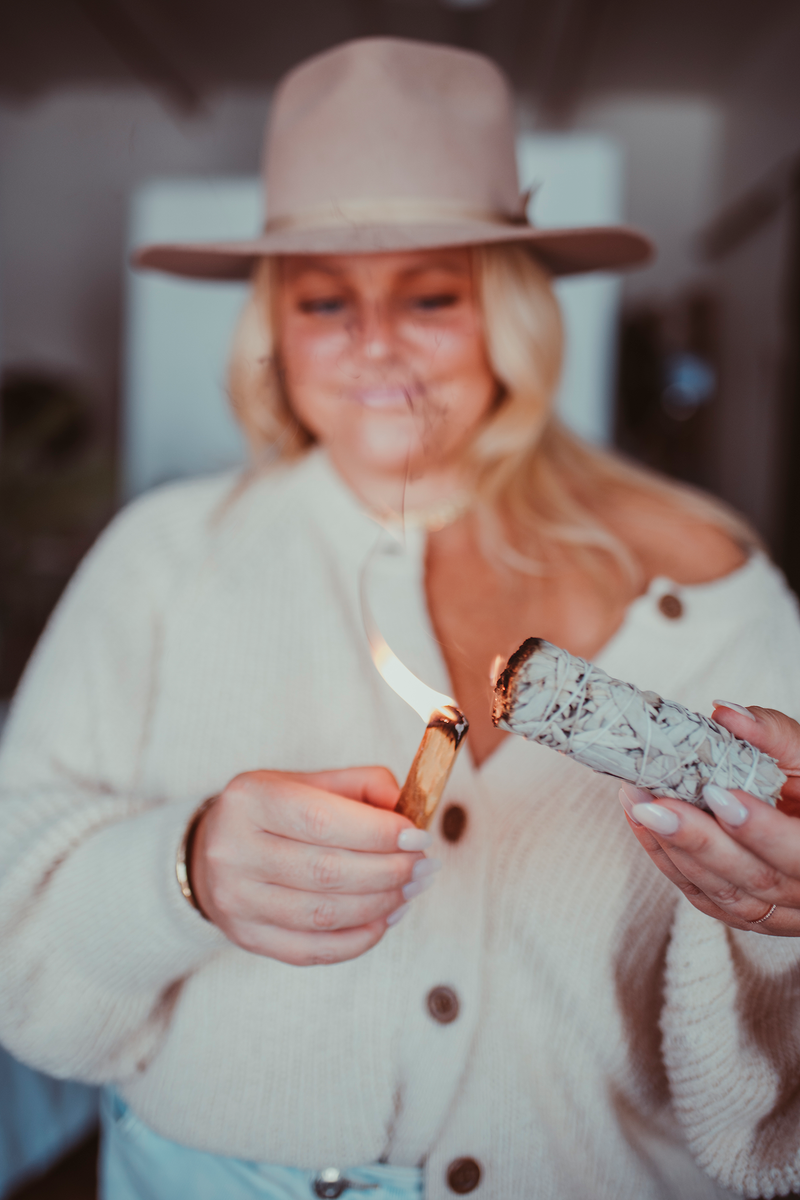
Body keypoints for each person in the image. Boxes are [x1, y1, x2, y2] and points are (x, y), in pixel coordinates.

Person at [2, 35, 800, 1200]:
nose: (375, 343)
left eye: (430, 294)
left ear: (512, 313)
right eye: (325, 301)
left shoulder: (713, 582)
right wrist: (181, 870)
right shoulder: (160, 559)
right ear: (272, 329)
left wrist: (784, 920)